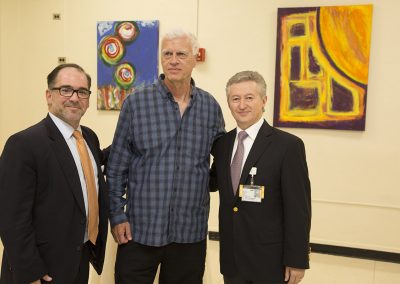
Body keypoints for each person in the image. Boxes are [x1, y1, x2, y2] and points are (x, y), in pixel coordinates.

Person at [107, 29, 225, 284]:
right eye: (167, 54)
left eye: (181, 54)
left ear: (195, 58)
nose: (173, 60)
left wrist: (209, 182)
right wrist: (117, 215)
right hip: (139, 231)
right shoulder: (136, 103)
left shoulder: (210, 107)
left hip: (189, 232)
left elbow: (224, 158)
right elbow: (116, 167)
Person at [0, 63, 109, 284]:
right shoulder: (23, 144)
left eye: (82, 91)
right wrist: (30, 271)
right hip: (41, 269)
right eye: (65, 90)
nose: (75, 98)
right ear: (49, 95)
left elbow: (88, 171)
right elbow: (11, 217)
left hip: (79, 261)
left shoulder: (89, 137)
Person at [210, 71, 311, 284]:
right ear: (228, 103)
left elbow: (298, 209)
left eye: (249, 97)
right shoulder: (222, 144)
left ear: (264, 101)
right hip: (233, 262)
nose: (242, 105)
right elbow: (212, 183)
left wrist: (297, 259)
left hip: (271, 264)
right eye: (235, 99)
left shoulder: (288, 146)